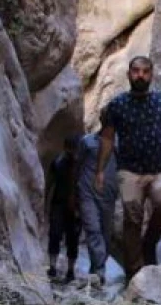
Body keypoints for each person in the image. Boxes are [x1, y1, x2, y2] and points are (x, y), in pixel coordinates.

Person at [95, 56, 161, 281]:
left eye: (145, 72)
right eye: (136, 71)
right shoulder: (116, 105)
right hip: (130, 171)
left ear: (151, 75)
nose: (140, 75)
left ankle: (149, 244)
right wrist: (100, 170)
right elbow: (107, 139)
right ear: (128, 74)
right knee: (132, 212)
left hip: (159, 170)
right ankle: (134, 273)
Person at [75, 109, 118, 285]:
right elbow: (77, 167)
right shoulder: (87, 142)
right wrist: (73, 193)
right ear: (101, 119)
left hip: (108, 196)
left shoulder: (118, 147)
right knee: (93, 229)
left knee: (105, 234)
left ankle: (96, 268)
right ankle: (100, 271)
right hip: (87, 192)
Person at [45, 135, 81, 282]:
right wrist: (47, 204)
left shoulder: (79, 165)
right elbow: (50, 184)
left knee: (72, 238)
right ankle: (53, 266)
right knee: (55, 234)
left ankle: (70, 270)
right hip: (59, 204)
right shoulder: (58, 163)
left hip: (72, 206)